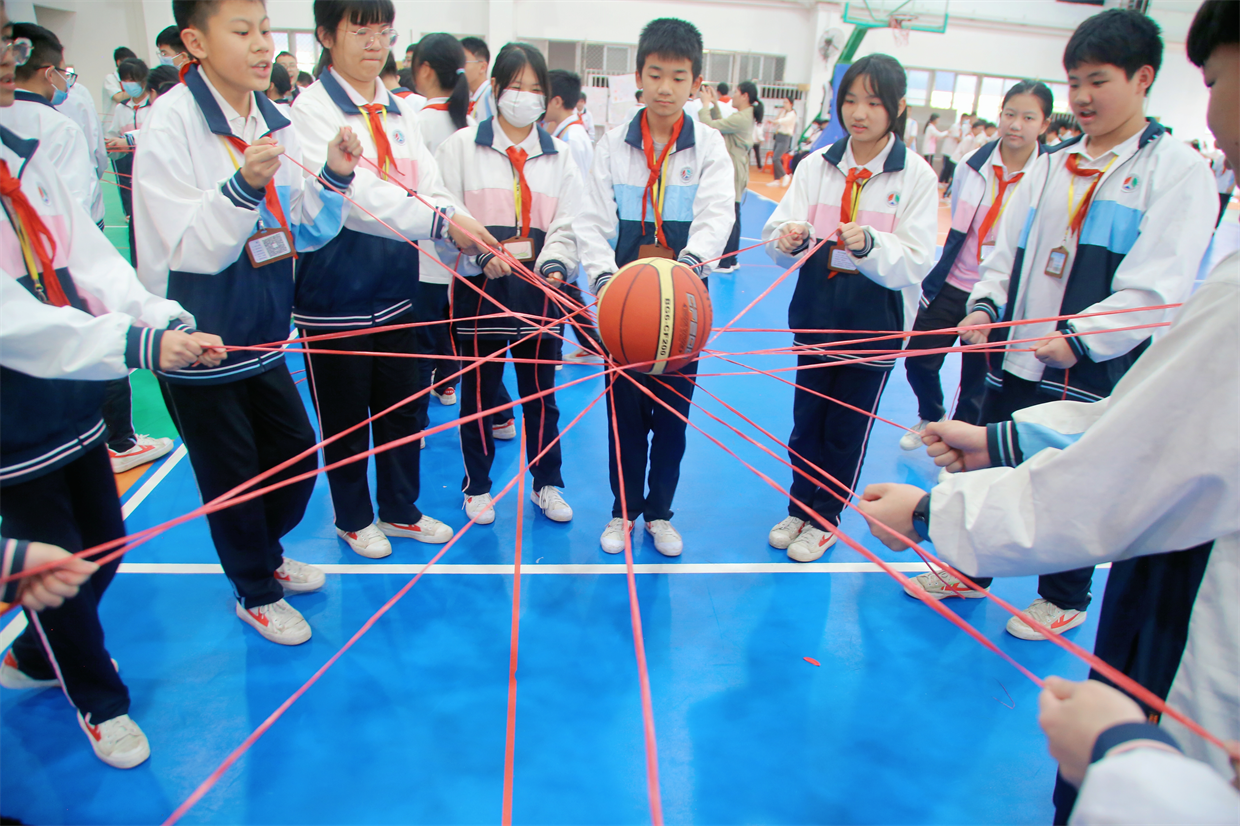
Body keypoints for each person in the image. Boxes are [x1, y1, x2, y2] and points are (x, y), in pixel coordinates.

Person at [903, 9, 1217, 642]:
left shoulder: (1175, 172)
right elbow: (1004, 252)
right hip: (1020, 353)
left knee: (1076, 470)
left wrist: (1081, 338)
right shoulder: (1051, 165)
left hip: (1096, 366)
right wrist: (985, 306)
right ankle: (970, 566)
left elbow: (1156, 289)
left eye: (1098, 81)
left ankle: (1064, 595)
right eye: (1075, 82)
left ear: (1143, 78)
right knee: (988, 456)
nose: (1082, 97)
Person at [0, 5, 225, 769]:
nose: (8, 56)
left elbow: (89, 258)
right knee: (56, 562)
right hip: (13, 413)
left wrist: (159, 315)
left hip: (72, 397)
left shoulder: (24, 148)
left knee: (105, 541)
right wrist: (136, 344)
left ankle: (36, 653)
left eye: (8, 39)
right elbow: (11, 320)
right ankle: (99, 699)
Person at [132, 0, 364, 645]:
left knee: (293, 454)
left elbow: (300, 230)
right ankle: (255, 591)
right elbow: (185, 250)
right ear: (195, 41)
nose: (263, 45)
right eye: (243, 32)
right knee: (232, 475)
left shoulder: (269, 119)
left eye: (264, 30)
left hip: (263, 331)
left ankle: (265, 552)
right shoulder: (170, 123)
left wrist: (335, 175)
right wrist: (240, 186)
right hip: (200, 337)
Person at [291, 0, 494, 559]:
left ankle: (400, 509)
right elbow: (357, 200)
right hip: (334, 295)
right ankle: (353, 519)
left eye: (383, 30)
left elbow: (429, 183)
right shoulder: (310, 111)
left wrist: (461, 220)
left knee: (403, 408)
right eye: (360, 29)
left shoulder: (399, 109)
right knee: (346, 418)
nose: (375, 42)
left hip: (399, 287)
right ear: (326, 35)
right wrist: (442, 222)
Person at [760, 53, 938, 563]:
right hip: (817, 317)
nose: (859, 113)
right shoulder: (817, 165)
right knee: (806, 423)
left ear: (897, 107)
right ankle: (799, 507)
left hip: (873, 325)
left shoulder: (917, 176)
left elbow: (917, 259)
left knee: (845, 430)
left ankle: (825, 518)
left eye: (873, 102)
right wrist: (787, 237)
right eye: (851, 100)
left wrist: (870, 245)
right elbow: (776, 233)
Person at [577, 17, 734, 557]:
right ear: (639, 77)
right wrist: (605, 280)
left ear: (696, 82)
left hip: (684, 308)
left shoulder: (709, 146)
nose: (665, 87)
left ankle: (660, 513)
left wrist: (684, 271)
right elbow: (591, 222)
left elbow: (716, 216)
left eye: (678, 76)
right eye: (655, 74)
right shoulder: (612, 145)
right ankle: (623, 511)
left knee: (672, 419)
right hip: (624, 310)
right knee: (623, 416)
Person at [435, 41, 581, 526]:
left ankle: (547, 483)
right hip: (480, 292)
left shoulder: (561, 156)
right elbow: (443, 214)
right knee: (479, 395)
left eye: (535, 88)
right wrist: (479, 252)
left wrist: (556, 264)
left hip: (540, 293)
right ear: (495, 87)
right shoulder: (460, 148)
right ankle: (477, 487)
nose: (525, 96)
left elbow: (570, 223)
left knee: (542, 397)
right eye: (516, 86)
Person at [899, 81, 1053, 449]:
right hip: (953, 282)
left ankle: (960, 443)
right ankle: (932, 415)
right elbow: (958, 229)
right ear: (1000, 115)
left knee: (977, 378)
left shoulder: (1049, 174)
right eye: (1010, 114)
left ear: (1045, 124)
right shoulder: (972, 164)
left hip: (1000, 292)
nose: (1016, 124)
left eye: (1028, 117)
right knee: (918, 359)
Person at [410, 31, 475, 406]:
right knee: (459, 331)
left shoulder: (416, 123)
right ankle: (451, 386)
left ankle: (416, 422)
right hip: (465, 250)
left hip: (426, 252)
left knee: (423, 337)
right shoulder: (470, 123)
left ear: (425, 69)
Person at [0, 23, 104, 230]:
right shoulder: (62, 128)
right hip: (53, 234)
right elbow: (73, 211)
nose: (67, 81)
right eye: (64, 73)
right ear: (49, 74)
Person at [544, 68, 605, 363]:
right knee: (566, 290)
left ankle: (563, 349)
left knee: (562, 289)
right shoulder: (568, 133)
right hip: (567, 225)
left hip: (571, 225)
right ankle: (589, 345)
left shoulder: (572, 138)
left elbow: (576, 188)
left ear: (556, 101)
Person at [698, 79, 755, 273]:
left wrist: (705, 105)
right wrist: (714, 104)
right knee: (734, 210)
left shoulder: (742, 118)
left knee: (732, 210)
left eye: (737, 92)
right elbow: (722, 124)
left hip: (736, 167)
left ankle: (726, 261)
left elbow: (710, 126)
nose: (733, 96)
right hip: (737, 165)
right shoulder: (743, 116)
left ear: (745, 96)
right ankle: (731, 259)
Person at [460, 36, 495, 122]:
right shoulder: (469, 98)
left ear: (482, 67)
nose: (459, 67)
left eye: (463, 62)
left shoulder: (491, 96)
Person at [765, 97, 796, 187]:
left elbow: (784, 121)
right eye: (784, 102)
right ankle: (776, 179)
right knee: (775, 158)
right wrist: (778, 114)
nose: (784, 104)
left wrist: (775, 120)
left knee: (776, 157)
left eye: (786, 102)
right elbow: (776, 122)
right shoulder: (783, 112)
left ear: (791, 104)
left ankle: (785, 175)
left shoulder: (792, 114)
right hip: (778, 136)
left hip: (785, 137)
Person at [938, 112, 969, 185]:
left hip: (953, 151)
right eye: (966, 119)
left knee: (950, 168)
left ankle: (945, 182)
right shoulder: (955, 126)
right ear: (962, 118)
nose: (967, 121)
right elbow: (957, 138)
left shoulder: (963, 128)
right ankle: (941, 181)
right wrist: (965, 142)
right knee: (946, 167)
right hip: (948, 150)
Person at [1214, 149, 1235, 226]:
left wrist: (1231, 187)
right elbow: (1214, 170)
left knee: (1221, 209)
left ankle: (1215, 226)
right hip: (1217, 186)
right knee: (1213, 206)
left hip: (1226, 189)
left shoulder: (1235, 160)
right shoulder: (1221, 158)